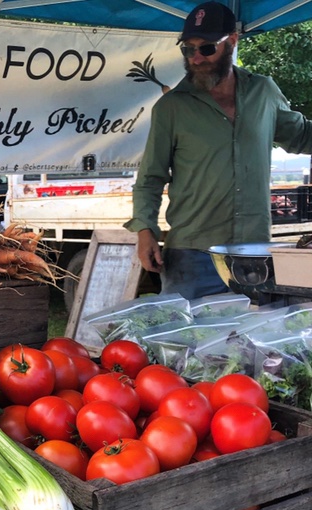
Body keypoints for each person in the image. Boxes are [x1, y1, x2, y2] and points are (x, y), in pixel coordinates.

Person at [125, 0, 312, 299]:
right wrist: (144, 230)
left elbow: (301, 135)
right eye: (188, 49)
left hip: (255, 252)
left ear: (232, 41)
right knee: (186, 342)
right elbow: (150, 177)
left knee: (252, 343)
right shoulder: (172, 108)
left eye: (207, 48)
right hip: (192, 254)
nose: (196, 58)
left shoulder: (263, 91)